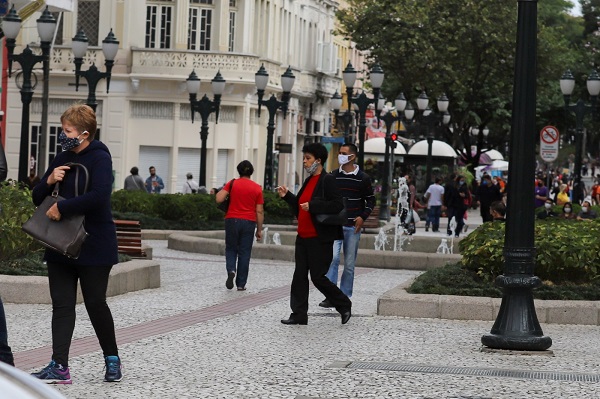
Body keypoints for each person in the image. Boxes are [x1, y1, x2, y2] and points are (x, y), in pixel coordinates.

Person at [30, 104, 122, 384]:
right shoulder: (62, 157)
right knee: (62, 305)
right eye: (63, 129)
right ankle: (60, 366)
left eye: (67, 131)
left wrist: (64, 208)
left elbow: (100, 195)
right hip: (59, 243)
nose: (63, 135)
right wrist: (48, 179)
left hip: (94, 244)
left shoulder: (99, 158)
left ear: (84, 133)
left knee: (95, 303)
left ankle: (112, 360)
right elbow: (37, 198)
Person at [277, 143, 352, 325]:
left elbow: (337, 205)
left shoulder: (327, 180)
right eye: (304, 158)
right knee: (299, 277)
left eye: (307, 158)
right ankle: (299, 314)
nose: (304, 161)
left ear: (318, 161)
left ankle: (344, 304)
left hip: (319, 238)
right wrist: (288, 196)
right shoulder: (308, 180)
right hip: (303, 237)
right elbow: (301, 209)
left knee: (318, 277)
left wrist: (314, 205)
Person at [318, 143, 375, 308]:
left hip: (352, 227)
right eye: (339, 153)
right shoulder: (332, 176)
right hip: (335, 225)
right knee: (333, 259)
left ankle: (344, 296)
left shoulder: (363, 178)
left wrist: (362, 217)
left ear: (352, 156)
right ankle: (331, 295)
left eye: (343, 153)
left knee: (349, 264)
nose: (340, 156)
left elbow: (371, 200)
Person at [215, 161, 264, 291]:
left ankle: (231, 270)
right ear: (251, 172)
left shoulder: (232, 183)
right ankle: (241, 284)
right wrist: (259, 230)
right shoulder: (257, 188)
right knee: (245, 252)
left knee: (231, 249)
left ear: (239, 170)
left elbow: (219, 199)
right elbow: (259, 211)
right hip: (249, 222)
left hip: (232, 220)